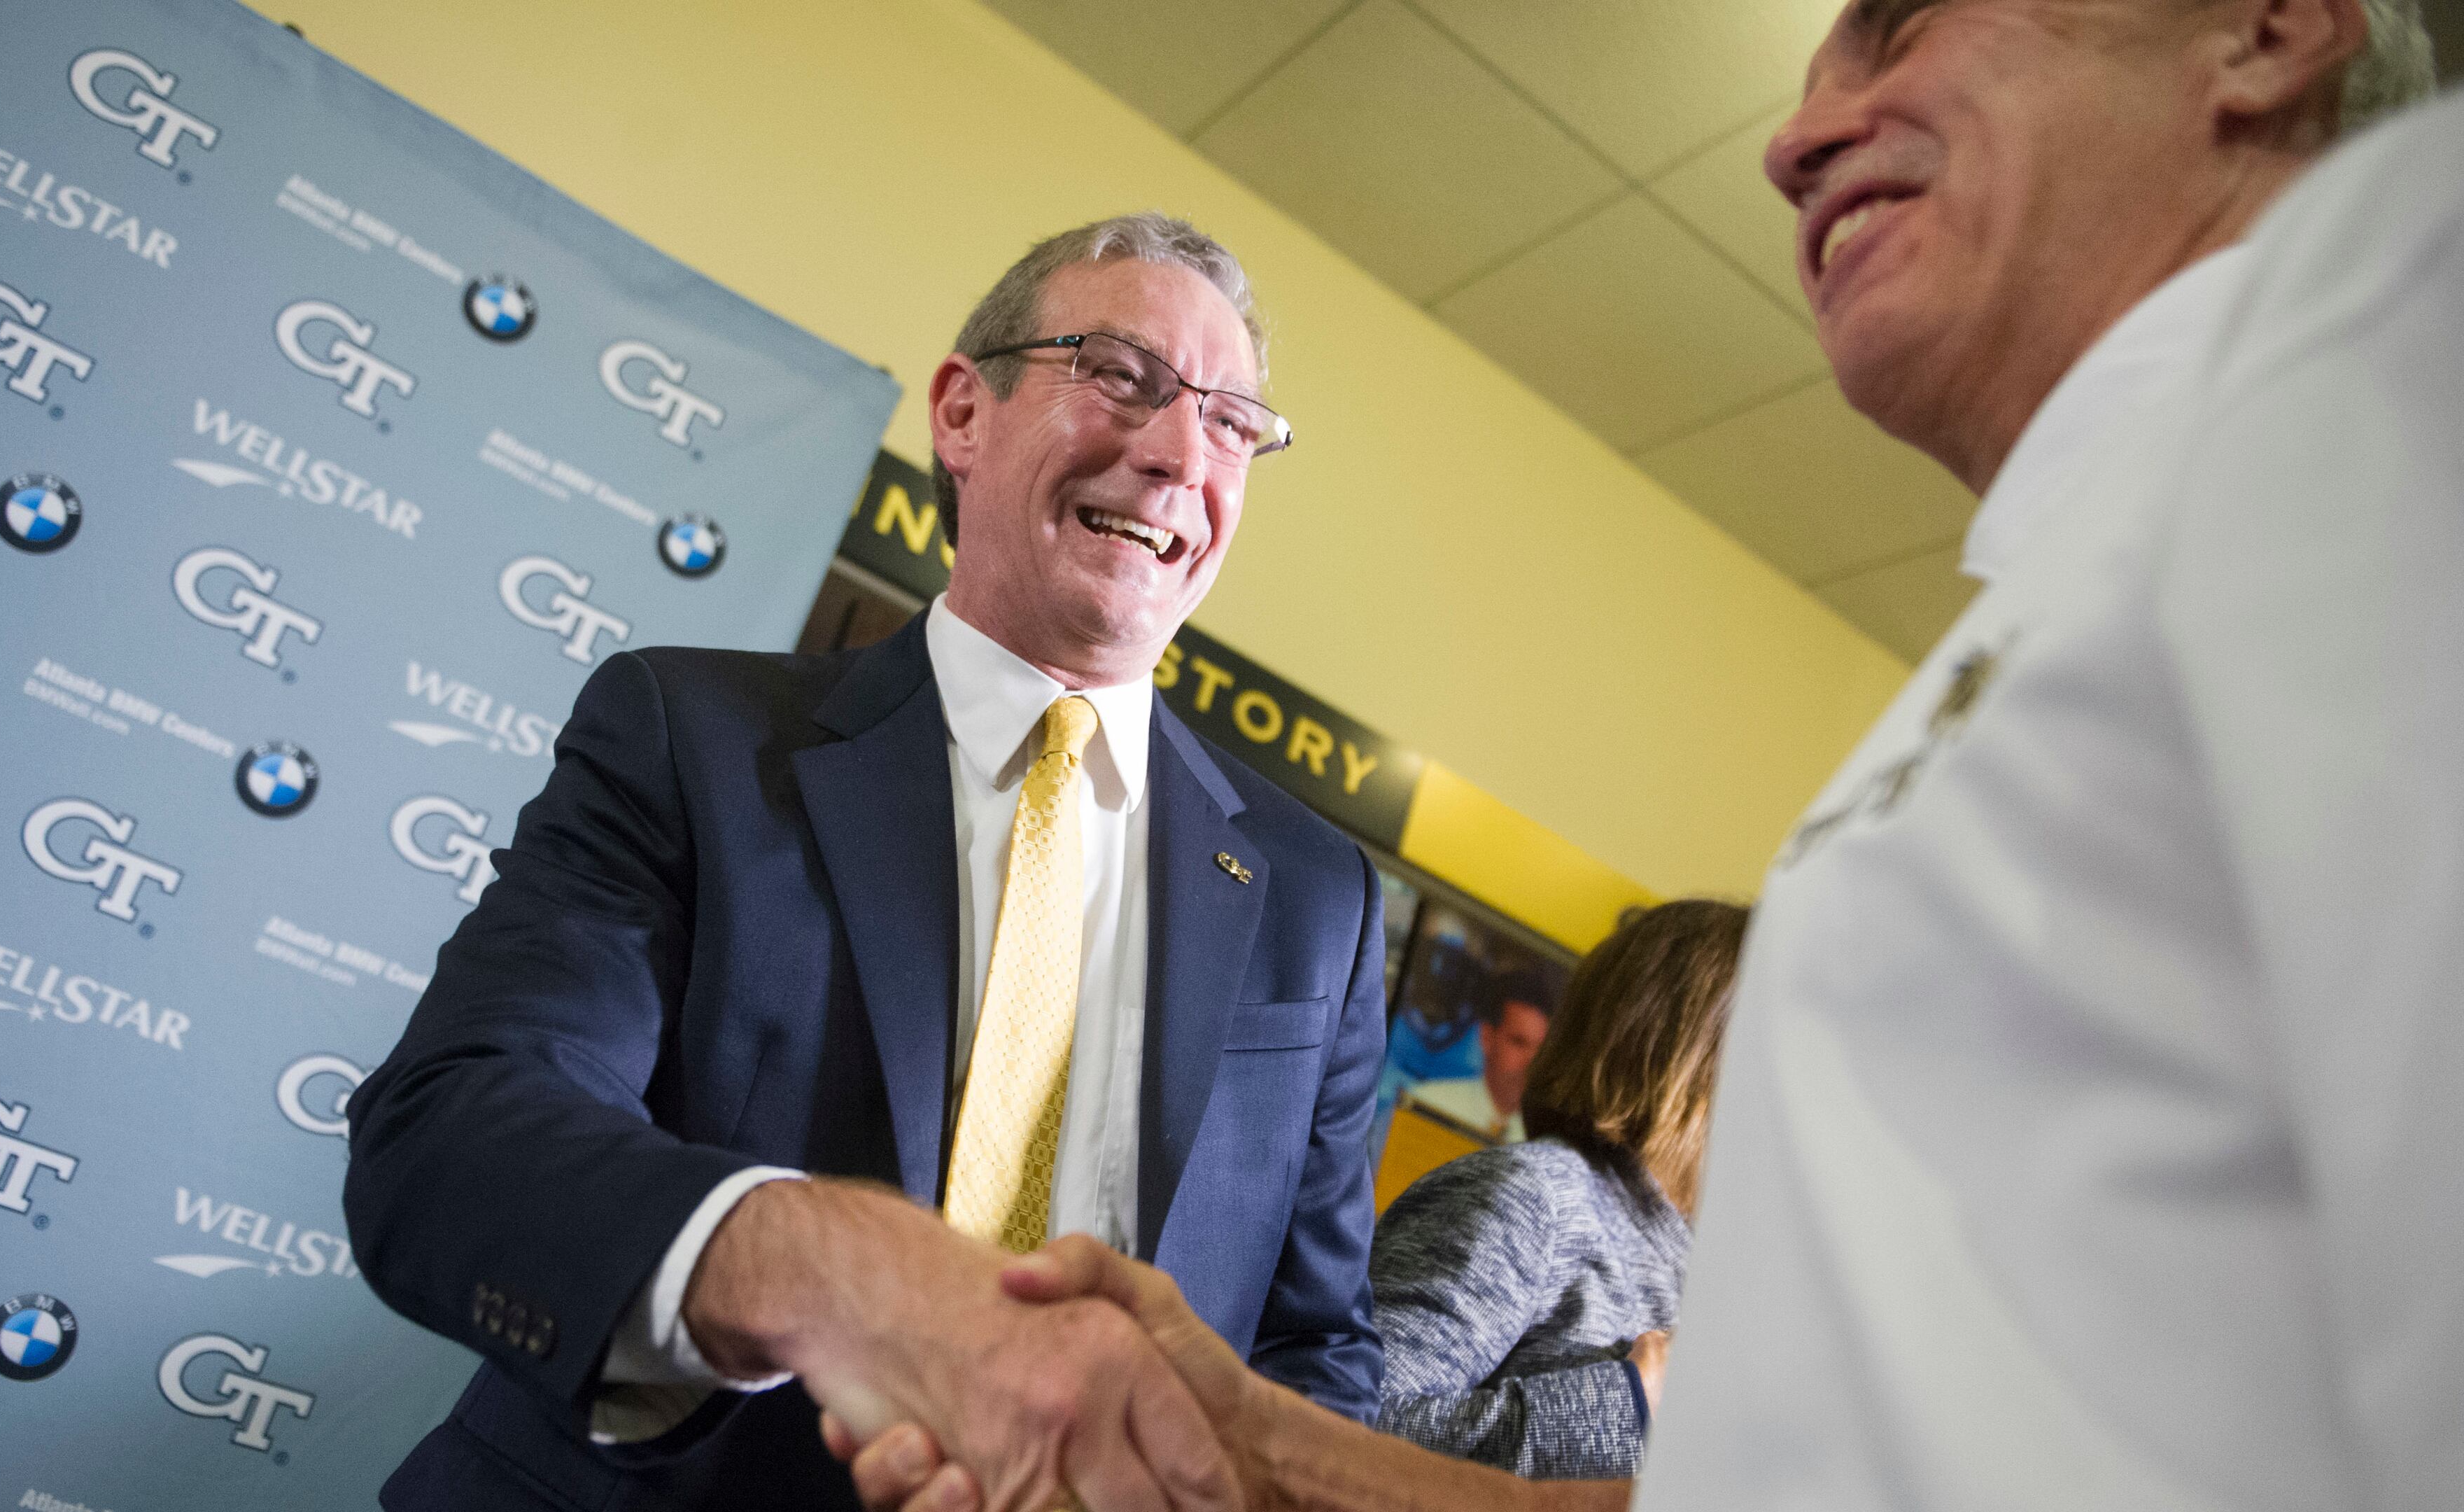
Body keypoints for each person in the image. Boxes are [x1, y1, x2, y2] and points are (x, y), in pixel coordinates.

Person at [837, 1, 2458, 1508]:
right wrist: (1250, 1444)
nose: (1792, 138)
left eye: (1895, 18)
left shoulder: (2389, 431)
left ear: (2263, 27)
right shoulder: (2069, 608)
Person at [343, 212, 1391, 1512]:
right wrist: (830, 1272)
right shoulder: (691, 739)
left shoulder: (1317, 898)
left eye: (1235, 422)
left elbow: (1315, 1341)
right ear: (964, 413)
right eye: (1121, 376)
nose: (1181, 452)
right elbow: (454, 1133)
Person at [1370, 900, 1747, 1479]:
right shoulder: (1532, 1199)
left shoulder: (1710, 1272)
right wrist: (1627, 1400)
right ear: (1696, 1057)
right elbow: (1353, 1428)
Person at [1406, 978, 1551, 1143]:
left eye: (1540, 1049)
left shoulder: (1540, 1143)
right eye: (1519, 1042)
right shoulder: (1427, 1104)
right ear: (1487, 1037)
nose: (1531, 1061)